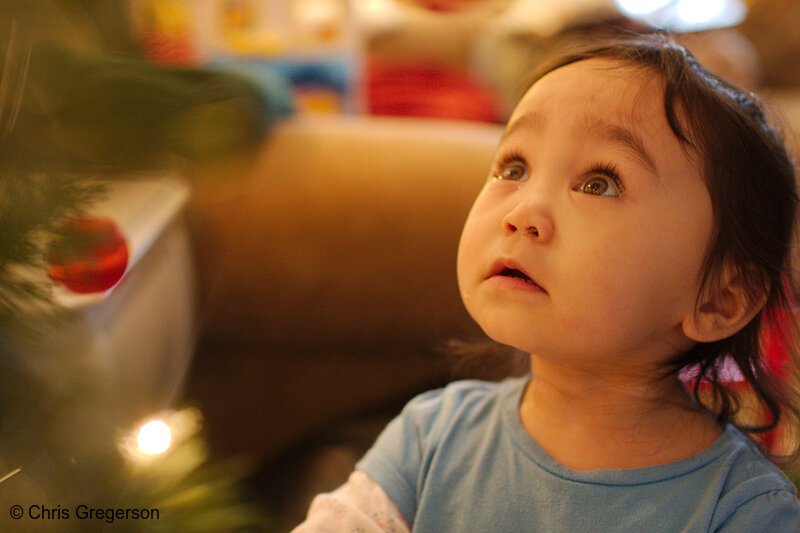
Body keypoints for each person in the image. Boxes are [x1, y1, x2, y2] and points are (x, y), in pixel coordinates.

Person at [292, 34, 800, 532]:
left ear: (719, 299)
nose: (523, 212)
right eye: (514, 167)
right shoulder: (430, 439)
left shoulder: (742, 510)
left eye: (598, 183)